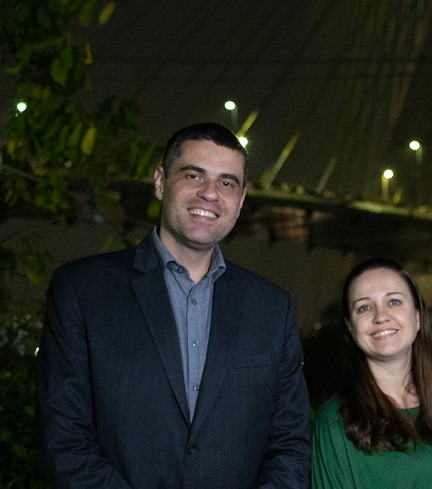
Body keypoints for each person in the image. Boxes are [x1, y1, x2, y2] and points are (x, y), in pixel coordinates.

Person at [35, 122, 310, 489]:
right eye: (194, 175)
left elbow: (290, 445)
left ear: (242, 200)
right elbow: (63, 441)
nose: (210, 194)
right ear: (161, 181)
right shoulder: (82, 290)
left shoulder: (273, 308)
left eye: (227, 182)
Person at [312, 257, 432, 489]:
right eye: (364, 307)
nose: (381, 316)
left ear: (417, 317)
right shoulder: (334, 421)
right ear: (350, 328)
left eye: (394, 302)